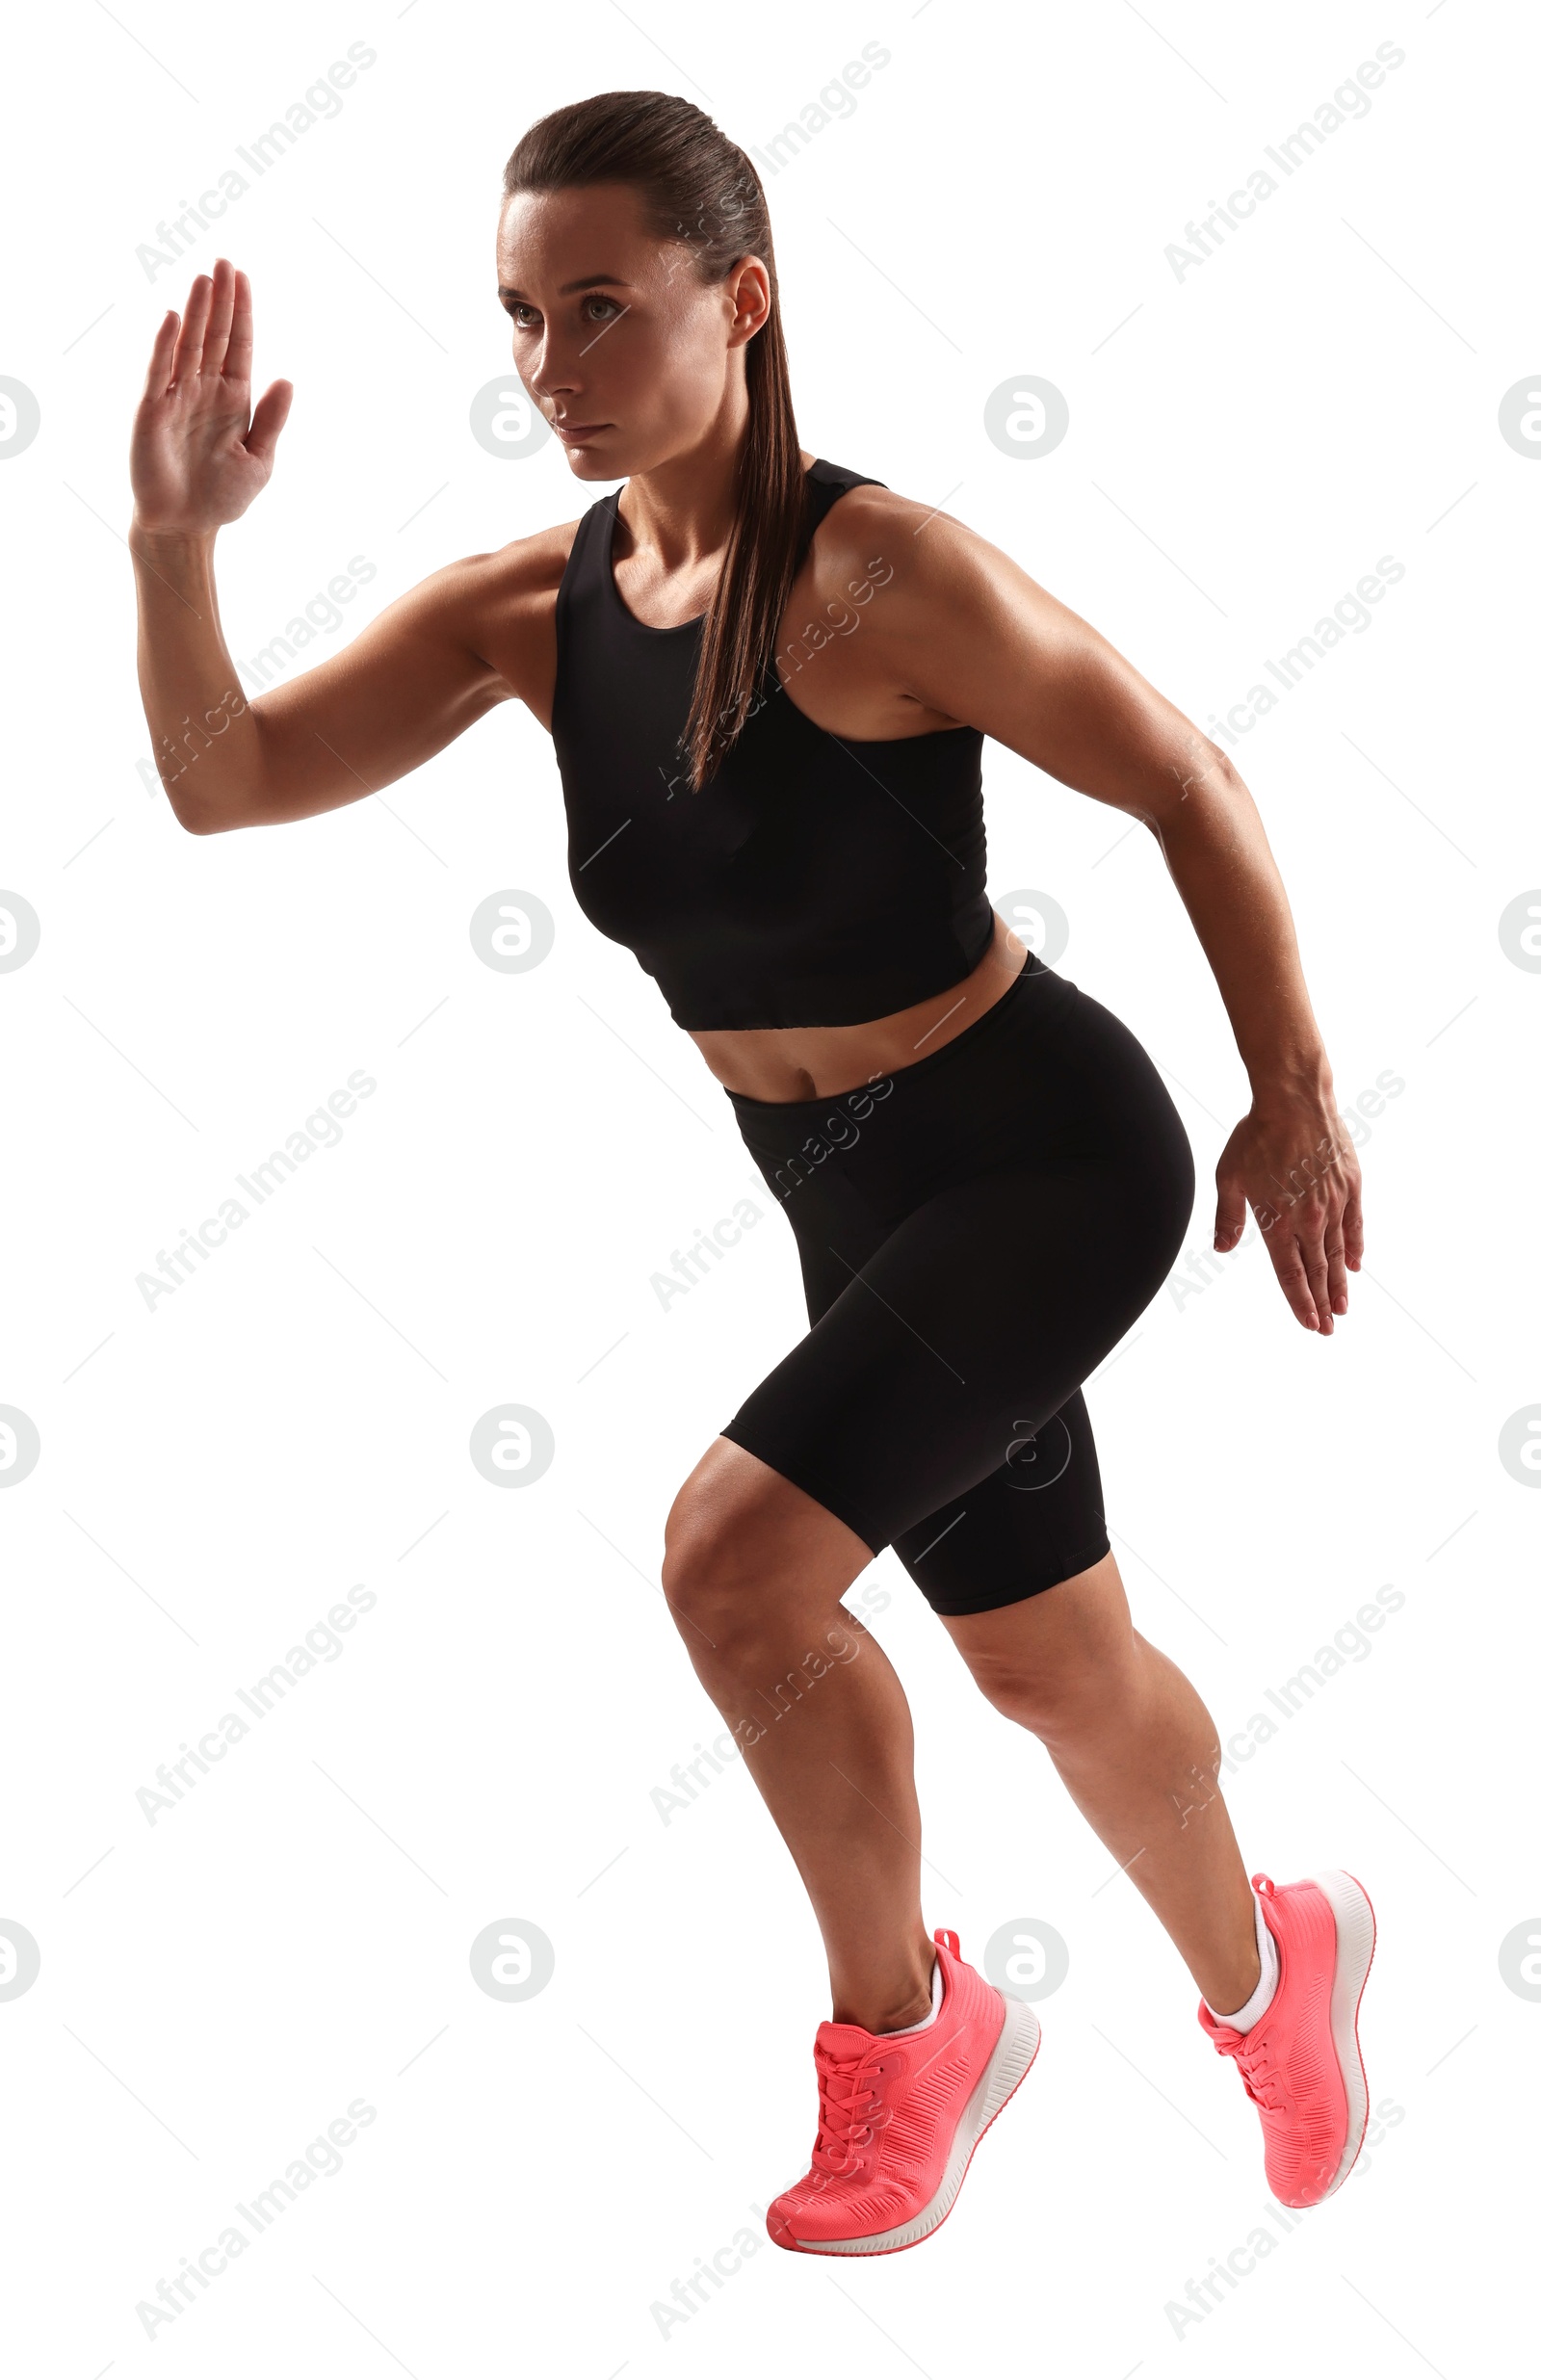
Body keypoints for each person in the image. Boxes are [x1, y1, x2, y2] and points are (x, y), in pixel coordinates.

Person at [129, 90, 1375, 2260]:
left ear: (745, 299)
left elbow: (1181, 773)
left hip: (1042, 1156)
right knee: (1050, 1670)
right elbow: (224, 782)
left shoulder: (872, 577)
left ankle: (915, 2035)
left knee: (733, 1566)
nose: (551, 369)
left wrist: (1292, 1090)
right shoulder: (531, 608)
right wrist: (174, 546)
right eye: (522, 317)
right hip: (851, 1206)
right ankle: (1275, 1976)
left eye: (602, 310)